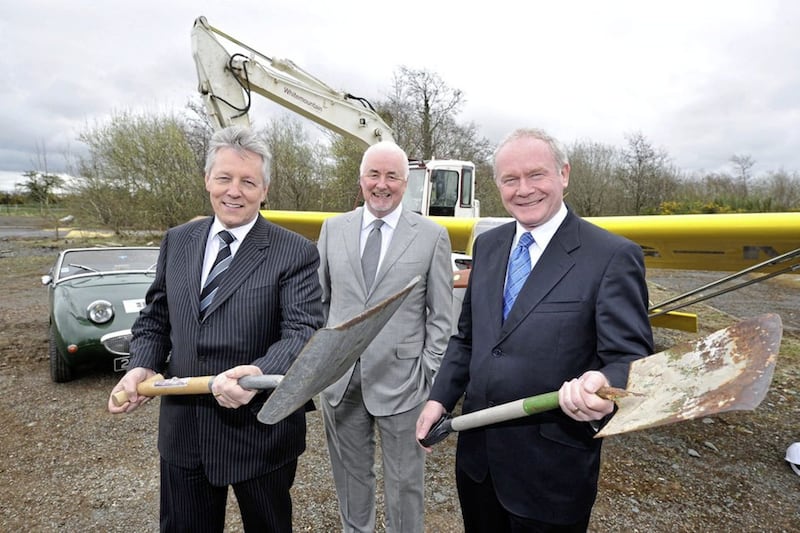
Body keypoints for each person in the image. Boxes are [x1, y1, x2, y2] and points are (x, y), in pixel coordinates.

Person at [416, 128, 654, 532]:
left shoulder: (612, 256)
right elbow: (468, 338)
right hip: (478, 464)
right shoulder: (488, 246)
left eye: (536, 175)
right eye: (510, 179)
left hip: (552, 472)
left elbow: (631, 358)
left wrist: (604, 382)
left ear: (563, 174)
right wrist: (440, 398)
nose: (523, 189)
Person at [107, 125, 324, 533]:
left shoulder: (295, 250)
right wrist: (141, 364)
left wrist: (257, 374)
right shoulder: (177, 240)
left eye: (248, 181)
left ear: (265, 189)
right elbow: (156, 317)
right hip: (184, 432)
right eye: (224, 178)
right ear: (208, 179)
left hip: (259, 432)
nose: (234, 191)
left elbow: (303, 331)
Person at [317, 141, 453, 532]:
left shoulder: (430, 236)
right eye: (374, 175)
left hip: (404, 385)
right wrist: (322, 366)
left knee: (405, 485)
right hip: (340, 384)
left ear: (405, 182)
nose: (382, 184)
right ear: (360, 180)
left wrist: (428, 375)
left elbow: (442, 318)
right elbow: (320, 304)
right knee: (351, 479)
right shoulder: (332, 229)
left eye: (392, 176)